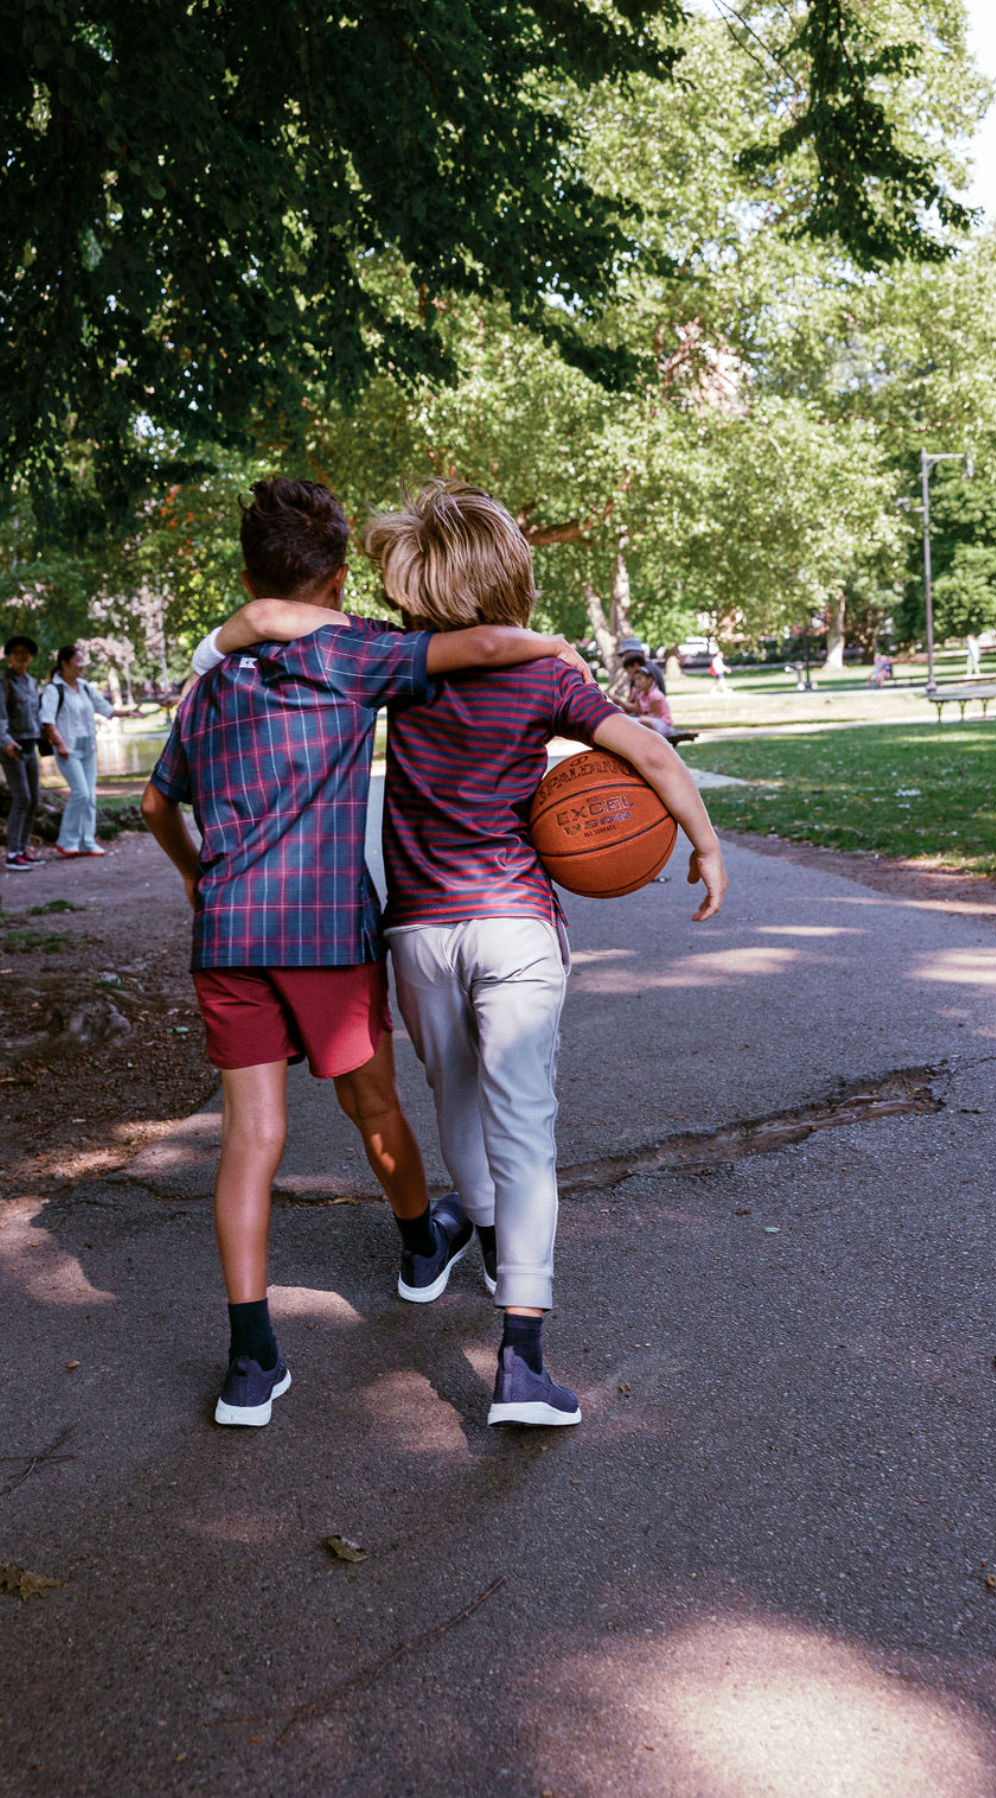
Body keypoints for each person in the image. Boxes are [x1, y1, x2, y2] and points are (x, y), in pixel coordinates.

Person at [204, 478, 728, 1429]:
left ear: (418, 586)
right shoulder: (547, 677)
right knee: (527, 1130)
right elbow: (650, 753)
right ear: (514, 578)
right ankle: (520, 1357)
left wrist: (217, 645)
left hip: (418, 932)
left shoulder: (392, 657)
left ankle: (479, 1230)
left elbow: (265, 616)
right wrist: (702, 838)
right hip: (514, 926)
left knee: (456, 1101)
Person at [141, 476, 594, 1428]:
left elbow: (154, 805)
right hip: (321, 933)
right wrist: (554, 647)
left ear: (245, 572)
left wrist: (194, 875)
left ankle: (251, 1364)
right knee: (373, 1101)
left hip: (226, 936)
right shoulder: (356, 656)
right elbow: (481, 645)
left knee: (251, 1142)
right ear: (343, 575)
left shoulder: (206, 687)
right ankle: (420, 1241)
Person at [40, 645, 114, 858]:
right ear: (64, 662)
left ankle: (87, 842)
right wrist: (60, 744)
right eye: (78, 660)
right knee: (81, 793)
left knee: (90, 796)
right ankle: (67, 841)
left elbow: (104, 708)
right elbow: (47, 720)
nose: (82, 665)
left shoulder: (84, 686)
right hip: (67, 748)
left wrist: (127, 712)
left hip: (88, 746)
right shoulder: (54, 689)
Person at [1, 634, 44, 871]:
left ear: (30, 657)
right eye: (15, 652)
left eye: (25, 653)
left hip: (30, 745)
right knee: (22, 798)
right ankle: (12, 853)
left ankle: (23, 850)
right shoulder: (3, 683)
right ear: (8, 656)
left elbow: (36, 715)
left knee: (34, 799)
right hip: (12, 748)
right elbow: (0, 718)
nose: (20, 656)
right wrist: (6, 742)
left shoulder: (31, 682)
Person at [623, 663, 676, 737]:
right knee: (629, 719)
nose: (637, 683)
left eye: (639, 679)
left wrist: (640, 717)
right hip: (651, 722)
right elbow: (637, 710)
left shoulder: (655, 695)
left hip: (663, 724)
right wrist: (632, 697)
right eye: (635, 680)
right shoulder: (641, 695)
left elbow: (655, 714)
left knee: (641, 720)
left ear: (649, 680)